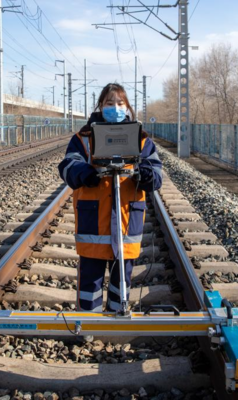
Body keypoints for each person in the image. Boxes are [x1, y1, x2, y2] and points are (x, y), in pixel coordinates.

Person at [58, 83, 163, 312]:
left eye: (120, 103)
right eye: (109, 103)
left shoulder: (142, 140)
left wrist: (144, 174)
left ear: (127, 107)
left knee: (122, 280)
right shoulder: (84, 138)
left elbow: (156, 175)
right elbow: (67, 166)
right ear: (100, 106)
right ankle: (87, 321)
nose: (115, 107)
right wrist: (84, 173)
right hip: (93, 223)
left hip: (126, 221)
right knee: (90, 281)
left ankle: (117, 317)